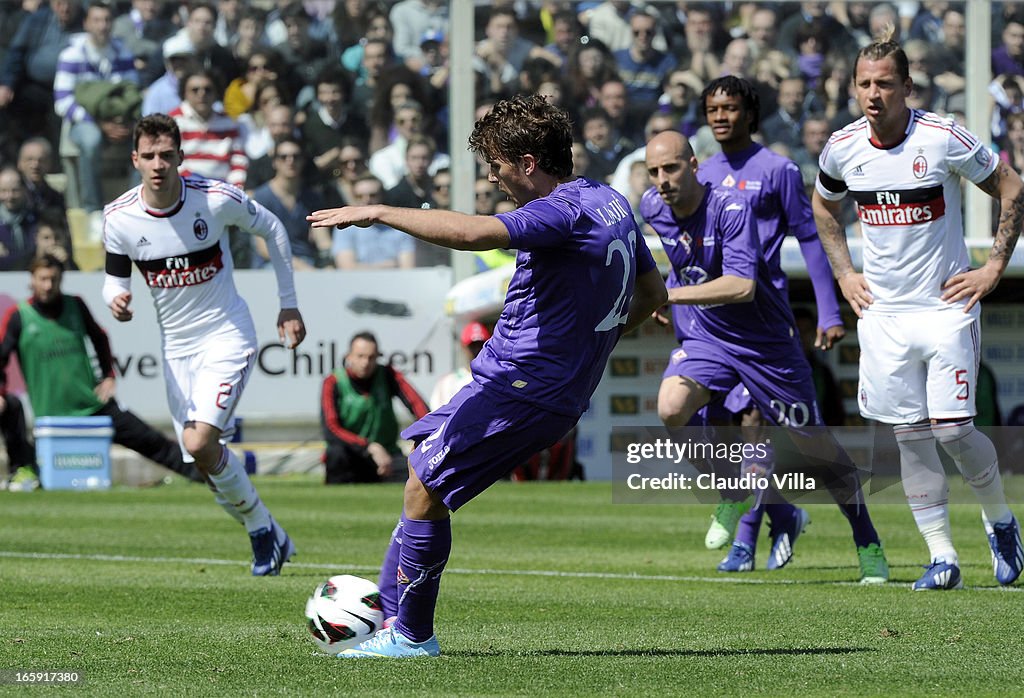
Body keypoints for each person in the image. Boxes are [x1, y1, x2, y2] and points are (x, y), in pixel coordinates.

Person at [307, 94, 667, 658]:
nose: (494, 177)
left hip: (523, 388)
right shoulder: (608, 200)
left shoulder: (556, 211)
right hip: (530, 385)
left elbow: (474, 234)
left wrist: (378, 212)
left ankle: (410, 636)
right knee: (420, 466)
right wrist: (594, 338)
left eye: (497, 165)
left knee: (426, 489)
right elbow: (651, 294)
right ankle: (392, 620)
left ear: (527, 163)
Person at [812, 33, 1024, 590]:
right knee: (908, 435)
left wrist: (992, 268)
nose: (873, 93)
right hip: (884, 315)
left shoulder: (942, 137)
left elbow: (1011, 186)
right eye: (864, 83)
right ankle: (942, 558)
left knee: (953, 429)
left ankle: (1001, 522)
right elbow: (824, 204)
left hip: (945, 307)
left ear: (908, 86)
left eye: (884, 83)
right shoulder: (843, 147)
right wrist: (844, 273)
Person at [642, 130, 888, 582]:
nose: (662, 180)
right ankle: (732, 492)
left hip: (767, 346)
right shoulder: (652, 207)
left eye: (671, 168)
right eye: (654, 171)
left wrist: (669, 295)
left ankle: (867, 539)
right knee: (671, 408)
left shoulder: (732, 210)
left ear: (695, 166)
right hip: (709, 339)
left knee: (817, 449)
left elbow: (742, 286)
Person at [102, 113, 306, 576]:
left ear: (179, 157)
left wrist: (288, 305)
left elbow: (273, 229)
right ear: (135, 159)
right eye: (149, 155)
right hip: (176, 353)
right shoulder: (119, 218)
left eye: (166, 155)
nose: (158, 164)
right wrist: (116, 297)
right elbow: (112, 281)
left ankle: (260, 531)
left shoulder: (214, 199)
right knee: (205, 464)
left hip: (225, 334)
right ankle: (273, 534)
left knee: (198, 442)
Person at [694, 76, 846, 561]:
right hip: (715, 323)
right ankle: (782, 513)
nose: (721, 116)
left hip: (765, 317)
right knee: (718, 425)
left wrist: (827, 309)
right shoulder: (700, 175)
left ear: (749, 113)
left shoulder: (777, 169)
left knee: (757, 422)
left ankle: (743, 541)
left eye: (731, 107)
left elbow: (809, 237)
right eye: (713, 108)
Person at [0, 254, 202, 491]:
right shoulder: (19, 316)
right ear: (32, 279)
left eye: (53, 279)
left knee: (150, 439)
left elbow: (100, 338)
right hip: (51, 417)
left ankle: (204, 474)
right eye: (43, 279)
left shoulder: (75, 305)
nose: (48, 285)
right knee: (10, 408)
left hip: (92, 405)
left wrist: (109, 376)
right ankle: (22, 472)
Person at [320, 331, 430, 484]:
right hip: (351, 455)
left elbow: (417, 404)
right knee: (336, 453)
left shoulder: (387, 375)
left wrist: (428, 435)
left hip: (387, 456)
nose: (365, 362)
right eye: (360, 356)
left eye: (371, 357)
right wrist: (368, 447)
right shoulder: (333, 382)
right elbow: (331, 428)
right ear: (348, 357)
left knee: (422, 473)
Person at [429, 321, 489, 410]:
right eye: (472, 346)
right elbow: (436, 414)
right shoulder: (447, 382)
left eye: (481, 345)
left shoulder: (495, 379)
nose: (477, 350)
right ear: (463, 347)